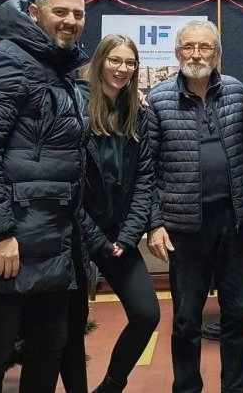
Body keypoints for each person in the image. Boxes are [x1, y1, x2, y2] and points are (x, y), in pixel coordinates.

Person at [0, 0, 89, 393]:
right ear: (35, 14)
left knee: (48, 349)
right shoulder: (7, 62)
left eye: (78, 14)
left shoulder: (56, 67)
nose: (70, 22)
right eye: (60, 12)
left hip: (53, 238)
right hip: (11, 240)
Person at [144, 20, 243, 393]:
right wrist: (154, 223)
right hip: (184, 228)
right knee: (185, 318)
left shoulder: (236, 92)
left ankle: (236, 387)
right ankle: (186, 388)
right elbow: (146, 168)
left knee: (235, 313)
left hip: (232, 222)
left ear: (217, 53)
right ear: (177, 52)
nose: (196, 55)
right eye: (189, 47)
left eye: (205, 48)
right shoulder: (159, 99)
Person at [59, 34, 162, 393]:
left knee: (147, 314)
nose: (122, 69)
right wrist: (99, 240)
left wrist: (127, 236)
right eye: (115, 61)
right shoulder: (75, 106)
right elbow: (69, 186)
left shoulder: (139, 113)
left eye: (130, 63)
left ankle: (111, 386)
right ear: (101, 61)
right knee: (72, 328)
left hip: (120, 236)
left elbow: (145, 179)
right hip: (77, 235)